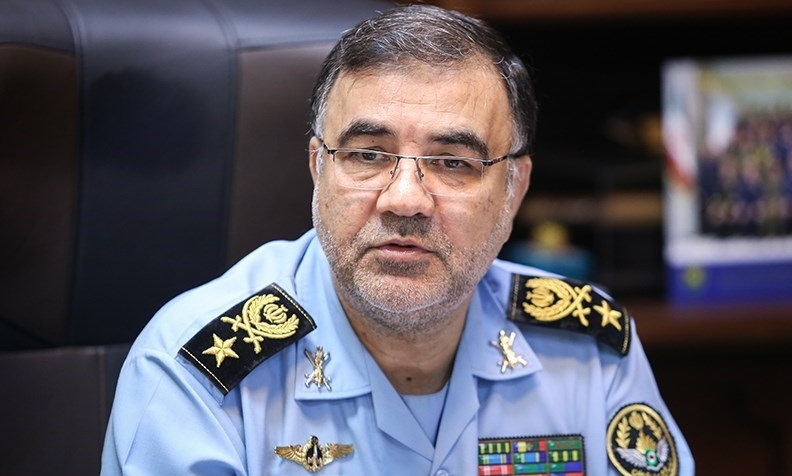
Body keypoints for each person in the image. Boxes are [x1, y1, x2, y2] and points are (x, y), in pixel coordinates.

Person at [101, 4, 694, 475]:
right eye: (367, 154)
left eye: (453, 162)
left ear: (514, 190)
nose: (405, 199)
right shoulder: (196, 372)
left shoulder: (588, 351)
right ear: (318, 169)